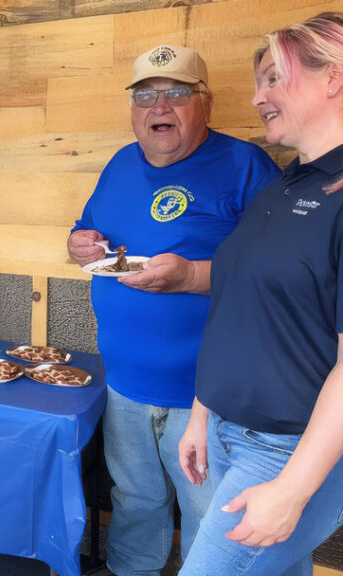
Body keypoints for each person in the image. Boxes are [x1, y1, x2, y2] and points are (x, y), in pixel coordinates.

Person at [68, 45, 280, 575]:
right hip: (123, 385)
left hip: (209, 396)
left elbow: (278, 275)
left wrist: (190, 276)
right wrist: (78, 243)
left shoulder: (245, 165)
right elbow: (86, 230)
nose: (159, 105)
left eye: (177, 93)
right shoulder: (119, 163)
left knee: (209, 514)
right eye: (145, 95)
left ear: (205, 103)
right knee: (135, 501)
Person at [178, 13, 343, 575]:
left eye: (274, 79)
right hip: (229, 433)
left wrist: (293, 490)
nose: (256, 98)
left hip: (289, 449)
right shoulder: (285, 182)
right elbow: (238, 304)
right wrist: (203, 414)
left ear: (334, 77)